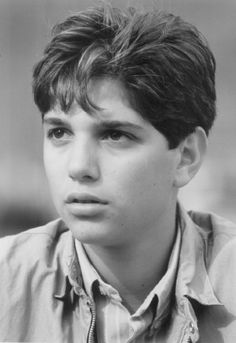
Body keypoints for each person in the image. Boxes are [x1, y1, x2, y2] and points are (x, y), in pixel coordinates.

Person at [0, 3, 236, 343]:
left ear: (185, 156)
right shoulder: (8, 284)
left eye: (115, 135)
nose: (79, 167)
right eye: (59, 133)